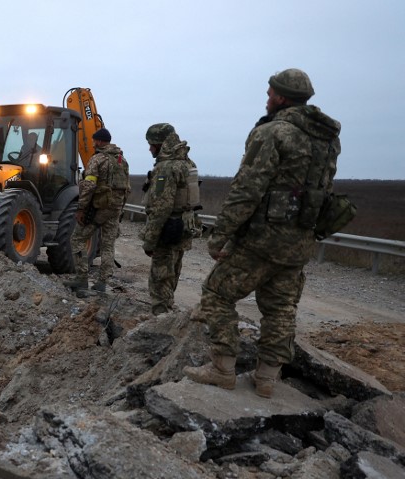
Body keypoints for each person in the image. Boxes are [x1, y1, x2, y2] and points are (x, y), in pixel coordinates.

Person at [184, 68, 341, 398]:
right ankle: (267, 378)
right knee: (281, 307)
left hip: (262, 239)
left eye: (270, 93)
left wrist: (220, 234)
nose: (267, 98)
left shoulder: (273, 133)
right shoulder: (327, 138)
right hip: (300, 240)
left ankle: (222, 369)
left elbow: (247, 189)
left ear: (281, 97)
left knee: (217, 293)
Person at [140, 123, 201, 315]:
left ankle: (161, 320)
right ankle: (167, 314)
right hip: (183, 227)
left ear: (159, 144)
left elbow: (161, 207)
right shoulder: (188, 164)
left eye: (151, 144)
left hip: (168, 230)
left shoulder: (166, 168)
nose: (150, 148)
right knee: (172, 274)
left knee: (160, 280)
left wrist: (149, 241)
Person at [69, 128, 130, 296]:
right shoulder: (121, 161)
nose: (93, 143)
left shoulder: (98, 159)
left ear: (101, 141)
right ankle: (102, 283)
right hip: (115, 209)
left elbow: (88, 186)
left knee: (77, 239)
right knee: (108, 246)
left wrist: (81, 208)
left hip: (98, 208)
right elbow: (127, 188)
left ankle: (81, 279)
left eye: (95, 140)